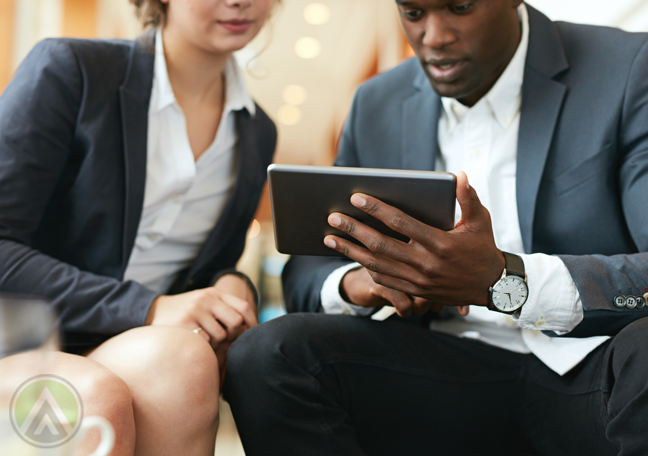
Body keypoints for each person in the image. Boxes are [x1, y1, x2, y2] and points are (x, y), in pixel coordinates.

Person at [223, 1, 648, 455]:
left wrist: (503, 280)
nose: (435, 35)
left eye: (459, 7)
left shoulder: (626, 69)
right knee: (266, 355)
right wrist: (360, 281)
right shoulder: (377, 102)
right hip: (441, 369)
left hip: (595, 369)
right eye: (413, 12)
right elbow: (307, 271)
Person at [0, 0, 277, 454]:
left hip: (132, 343)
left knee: (185, 362)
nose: (239, 1)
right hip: (21, 336)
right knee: (94, 399)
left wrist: (233, 280)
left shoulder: (257, 132)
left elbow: (208, 268)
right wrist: (149, 307)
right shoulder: (72, 70)